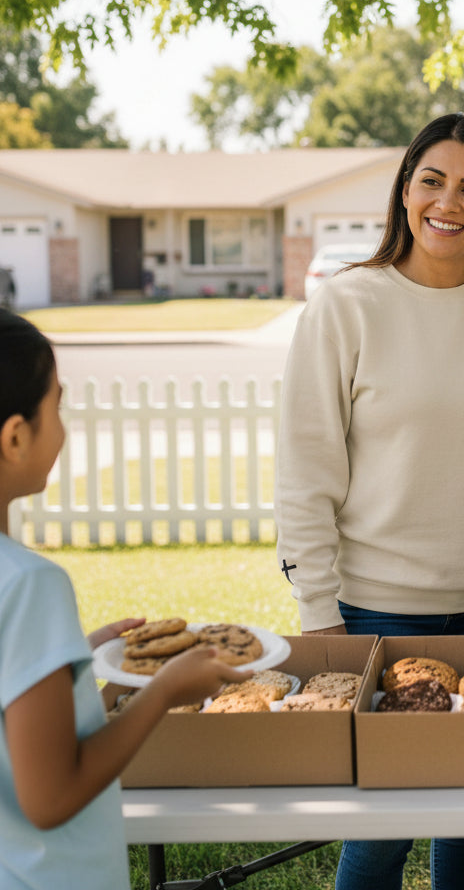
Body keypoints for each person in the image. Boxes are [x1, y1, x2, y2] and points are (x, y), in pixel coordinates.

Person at [274, 112, 464, 890]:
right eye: (431, 181)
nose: (448, 203)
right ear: (403, 192)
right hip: (378, 609)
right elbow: (305, 471)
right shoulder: (348, 305)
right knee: (385, 823)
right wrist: (319, 613)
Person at [0, 312, 249, 890]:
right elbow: (52, 795)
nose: (64, 427)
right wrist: (163, 692)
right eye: (56, 407)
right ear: (15, 436)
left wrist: (68, 659)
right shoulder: (30, 585)